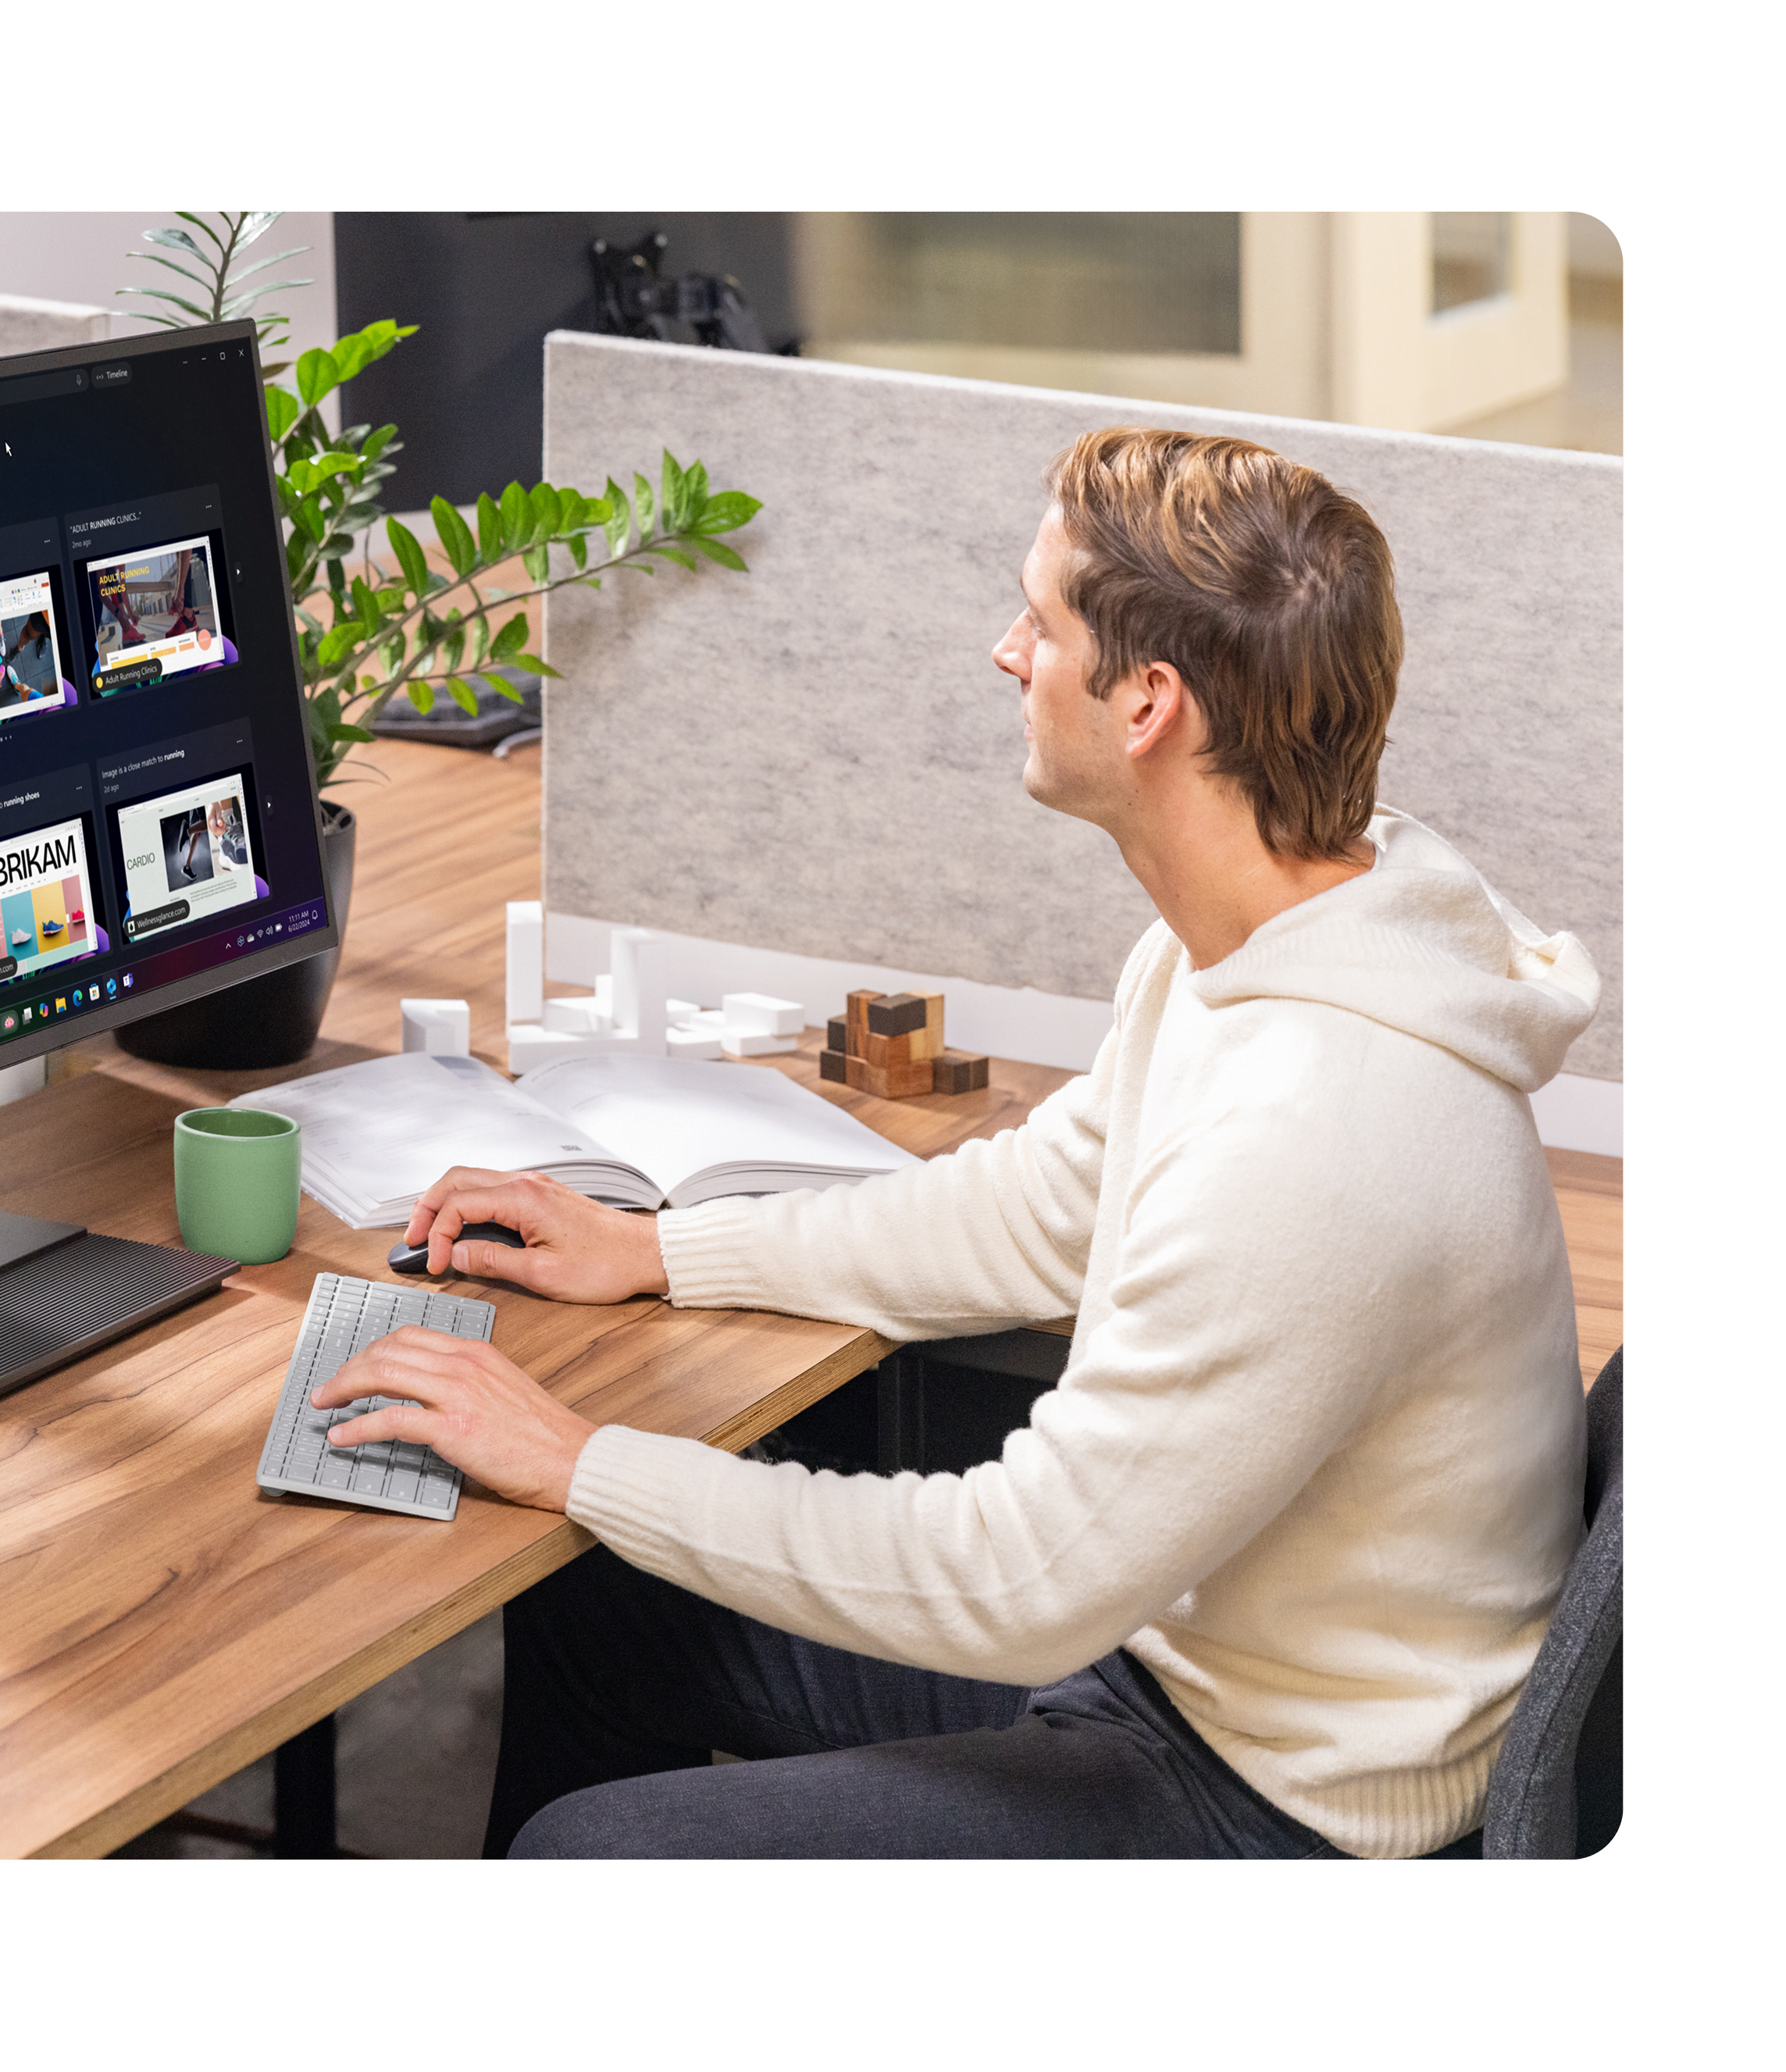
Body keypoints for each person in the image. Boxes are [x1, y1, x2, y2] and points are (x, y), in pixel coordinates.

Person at [313, 426, 1599, 1860]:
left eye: (1041, 625)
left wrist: (574, 1457)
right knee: (601, 1608)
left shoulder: (1322, 1128)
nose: (1006, 653)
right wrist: (654, 1249)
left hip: (1282, 1800)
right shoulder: (1271, 937)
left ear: (1148, 706)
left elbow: (1021, 1582)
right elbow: (1043, 1208)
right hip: (1184, 1652)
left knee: (598, 1854)